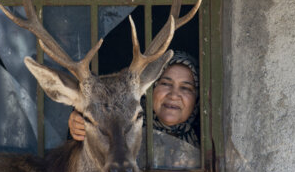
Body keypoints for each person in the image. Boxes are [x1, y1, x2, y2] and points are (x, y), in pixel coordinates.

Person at [68, 51, 200, 147]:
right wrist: (80, 122)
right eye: (165, 84)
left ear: (197, 97)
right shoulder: (124, 126)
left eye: (186, 88)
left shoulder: (209, 139)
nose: (173, 95)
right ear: (150, 86)